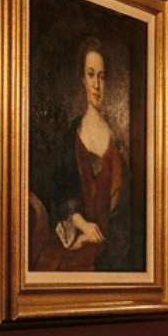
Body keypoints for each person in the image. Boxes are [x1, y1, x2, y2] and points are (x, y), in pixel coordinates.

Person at [34, 38, 131, 271]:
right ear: (82, 80)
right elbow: (59, 193)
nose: (96, 84)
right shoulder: (71, 135)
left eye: (101, 76)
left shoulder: (117, 143)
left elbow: (124, 211)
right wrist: (82, 225)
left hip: (107, 247)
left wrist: (102, 237)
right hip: (75, 238)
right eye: (90, 75)